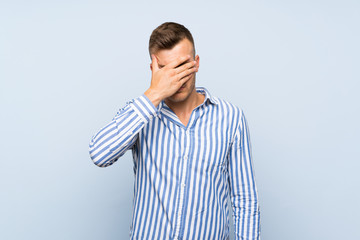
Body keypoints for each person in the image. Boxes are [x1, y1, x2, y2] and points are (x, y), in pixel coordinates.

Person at [89, 22, 260, 240]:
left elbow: (245, 200)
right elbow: (99, 154)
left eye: (182, 66)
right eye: (166, 69)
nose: (176, 78)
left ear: (196, 63)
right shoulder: (138, 113)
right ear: (153, 69)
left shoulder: (231, 118)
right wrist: (154, 93)